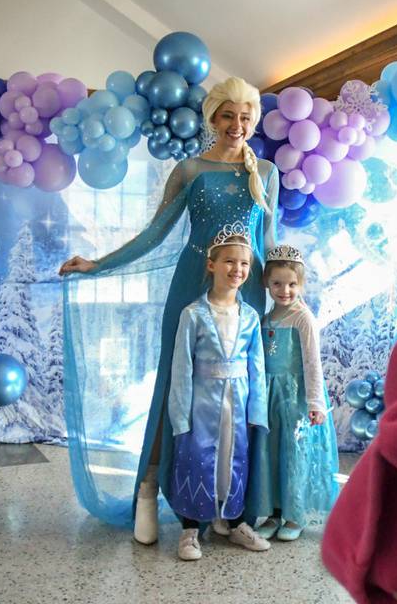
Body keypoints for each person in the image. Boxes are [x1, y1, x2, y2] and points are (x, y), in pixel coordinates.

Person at [59, 77, 279, 542]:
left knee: (241, 395)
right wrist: (97, 264)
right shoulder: (190, 169)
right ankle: (149, 487)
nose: (237, 125)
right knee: (175, 385)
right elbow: (155, 233)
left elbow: (268, 243)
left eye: (245, 116)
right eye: (227, 115)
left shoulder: (266, 172)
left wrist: (283, 303)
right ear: (213, 118)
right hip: (191, 285)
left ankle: (234, 502)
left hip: (247, 291)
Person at [167, 226, 269, 560]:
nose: (237, 270)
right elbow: (181, 367)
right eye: (229, 261)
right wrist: (180, 415)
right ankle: (190, 529)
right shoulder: (193, 314)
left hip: (238, 403)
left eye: (243, 264)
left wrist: (257, 411)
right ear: (211, 265)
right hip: (202, 403)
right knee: (197, 458)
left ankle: (234, 521)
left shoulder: (250, 317)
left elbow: (257, 368)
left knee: (233, 459)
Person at [243, 244, 339, 541]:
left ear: (301, 284)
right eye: (277, 283)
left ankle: (294, 515)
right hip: (270, 395)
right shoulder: (265, 319)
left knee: (293, 454)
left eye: (292, 284)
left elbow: (312, 362)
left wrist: (315, 402)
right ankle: (272, 511)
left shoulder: (302, 318)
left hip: (295, 396)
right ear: (266, 284)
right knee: (270, 453)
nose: (285, 290)